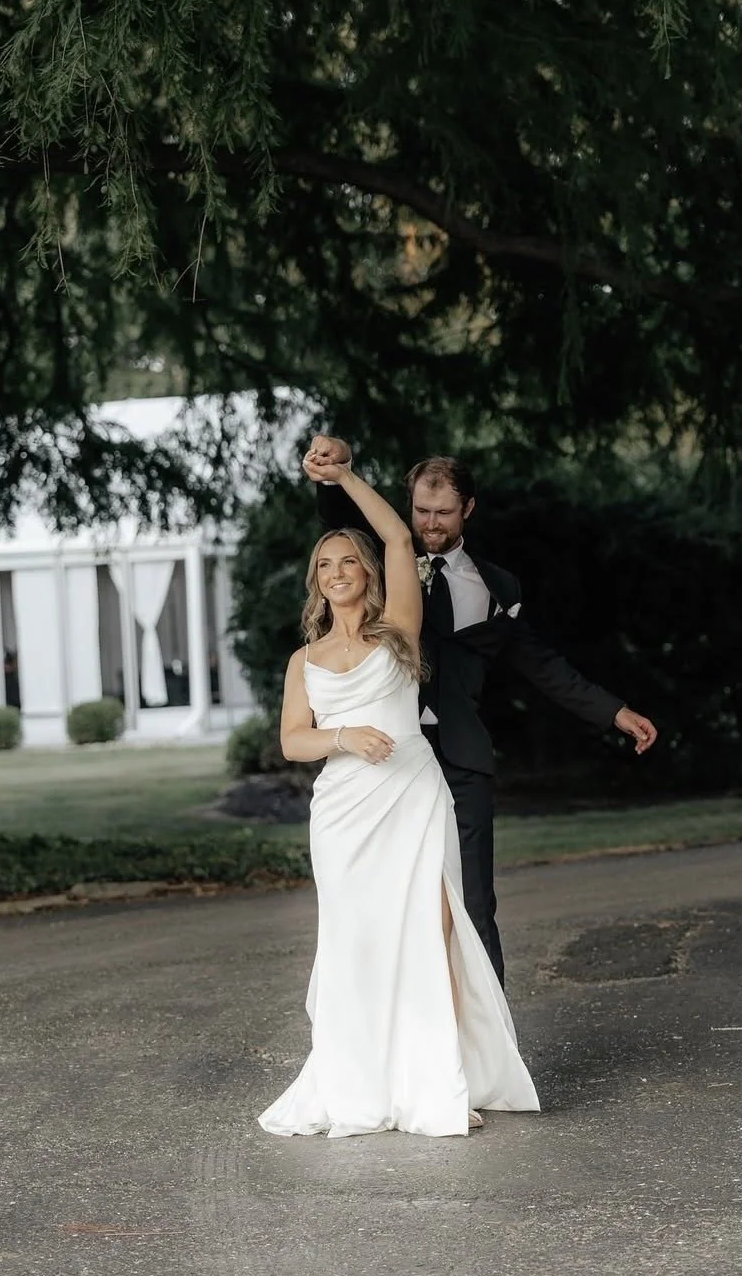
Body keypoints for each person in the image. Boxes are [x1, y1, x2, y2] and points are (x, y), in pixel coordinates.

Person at [307, 436, 657, 985]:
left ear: (467, 509)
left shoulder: (497, 587)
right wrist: (333, 471)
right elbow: (338, 528)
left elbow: (543, 665)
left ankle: (493, 1046)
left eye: (443, 512)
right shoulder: (380, 567)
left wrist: (614, 712)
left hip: (463, 757)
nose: (430, 523)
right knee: (391, 900)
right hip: (390, 759)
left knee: (473, 901)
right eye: (421, 510)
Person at [258, 457, 540, 1139]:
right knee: (356, 942)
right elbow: (294, 740)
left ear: (367, 573)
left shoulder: (400, 630)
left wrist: (347, 477)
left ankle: (441, 1082)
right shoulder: (305, 660)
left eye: (347, 562)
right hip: (346, 813)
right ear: (317, 583)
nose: (337, 573)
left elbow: (397, 538)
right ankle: (362, 1079)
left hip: (414, 795)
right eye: (325, 566)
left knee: (433, 934)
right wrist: (343, 734)